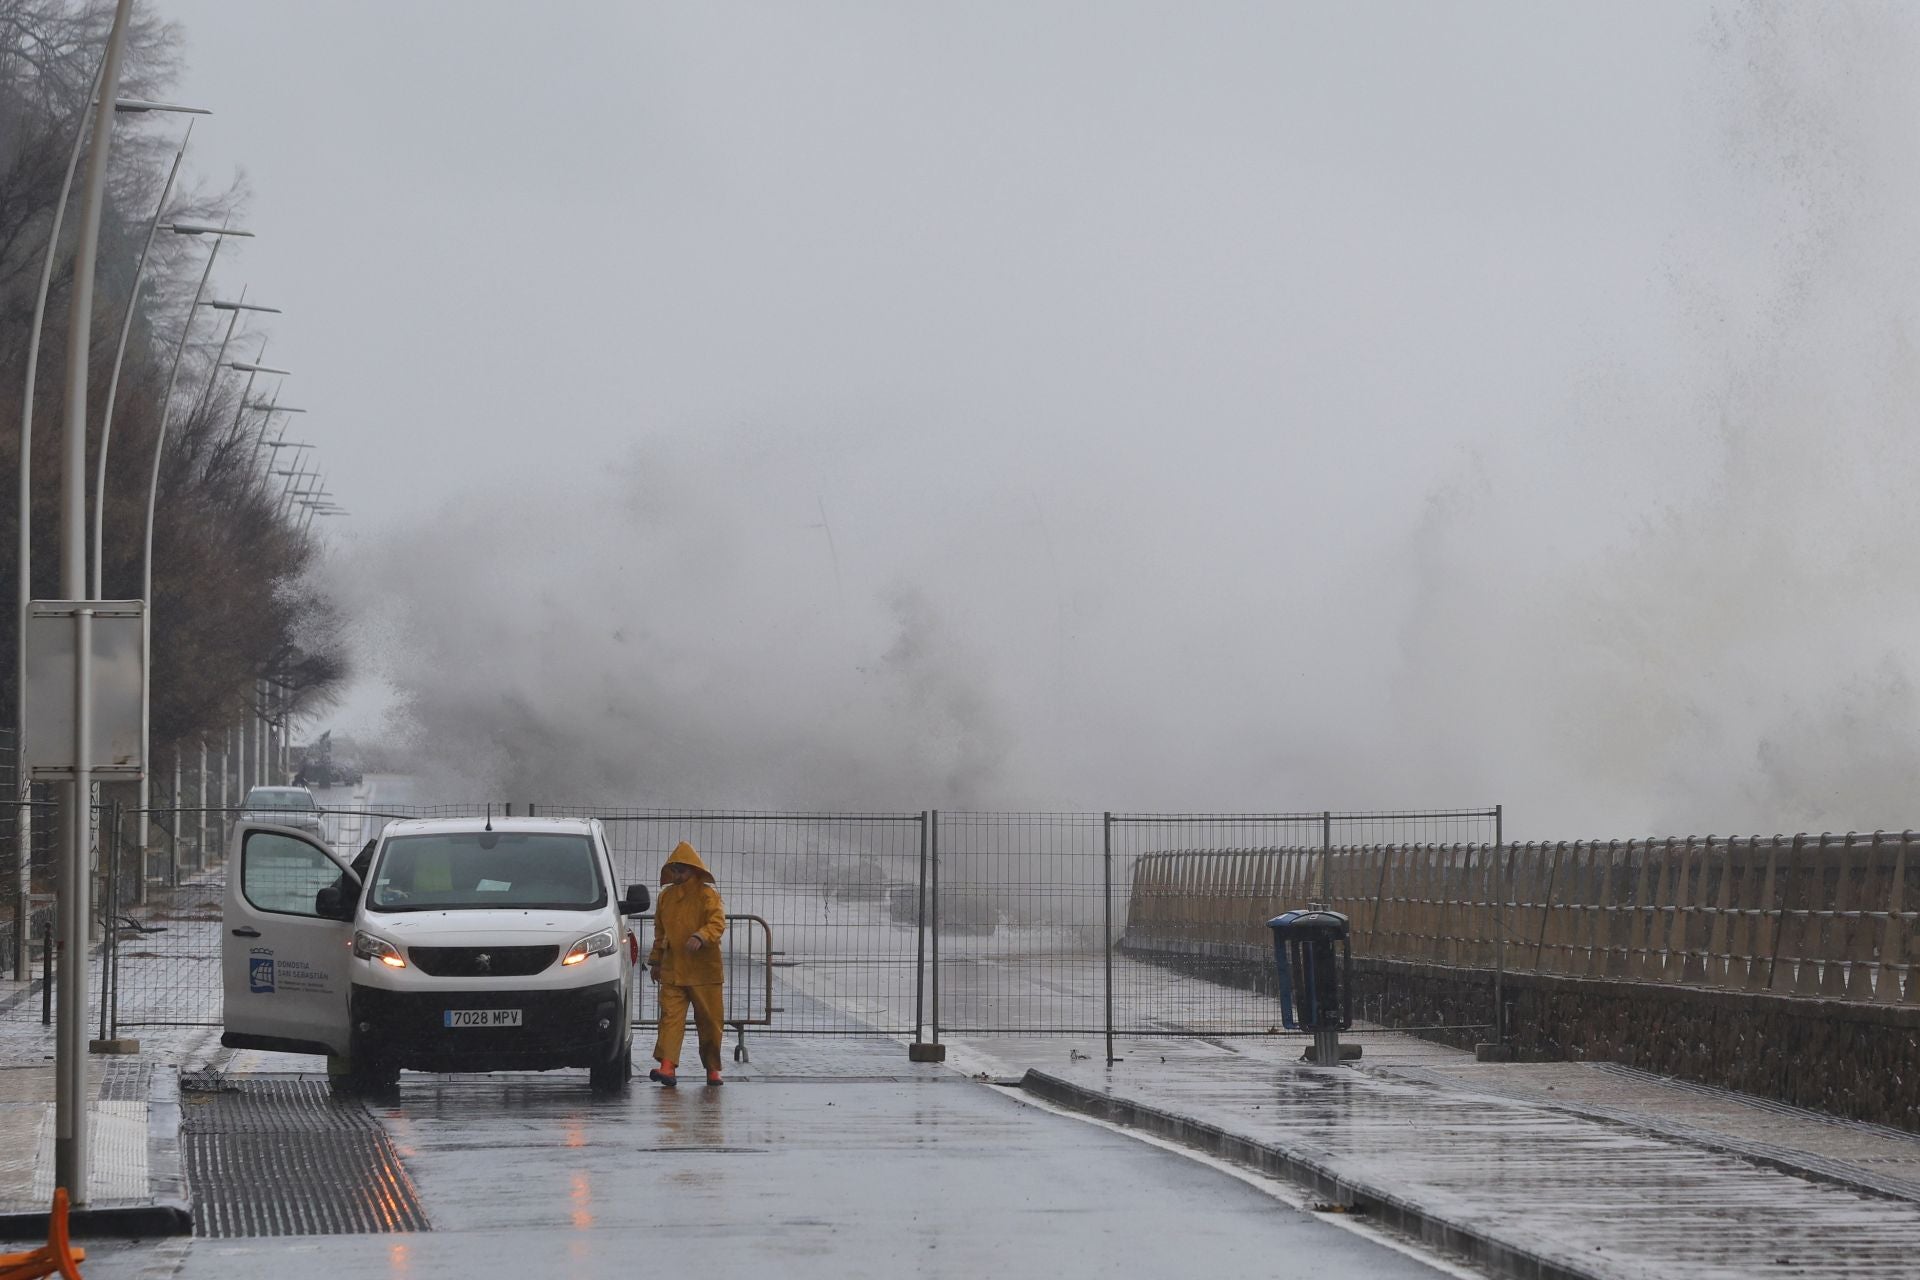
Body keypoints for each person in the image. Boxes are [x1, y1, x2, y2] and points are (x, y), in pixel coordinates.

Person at [647, 841, 727, 1087]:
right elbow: (660, 932)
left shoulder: (707, 895)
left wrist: (700, 936)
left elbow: (717, 923)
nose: (677, 875)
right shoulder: (665, 897)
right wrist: (656, 961)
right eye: (674, 870)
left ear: (694, 870)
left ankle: (713, 1069)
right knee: (670, 1018)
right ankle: (667, 1068)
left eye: (681, 870)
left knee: (710, 1023)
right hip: (673, 969)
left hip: (704, 972)